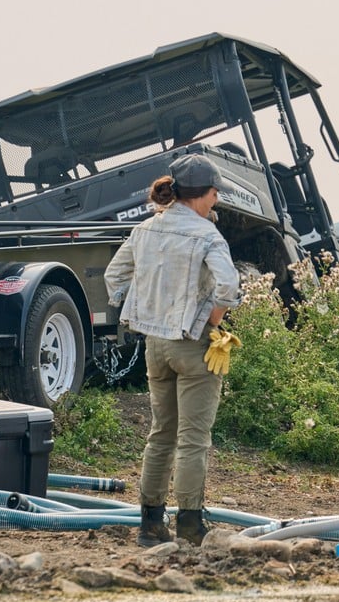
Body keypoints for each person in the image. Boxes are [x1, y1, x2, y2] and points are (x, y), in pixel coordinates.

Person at [104, 154, 242, 547]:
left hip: (155, 345)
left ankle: (149, 524)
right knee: (193, 437)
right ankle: (190, 523)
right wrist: (212, 320)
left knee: (160, 433)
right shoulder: (208, 235)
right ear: (204, 194)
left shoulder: (145, 229)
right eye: (216, 193)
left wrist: (141, 309)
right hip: (193, 345)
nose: (217, 200)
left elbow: (115, 278)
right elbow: (228, 287)